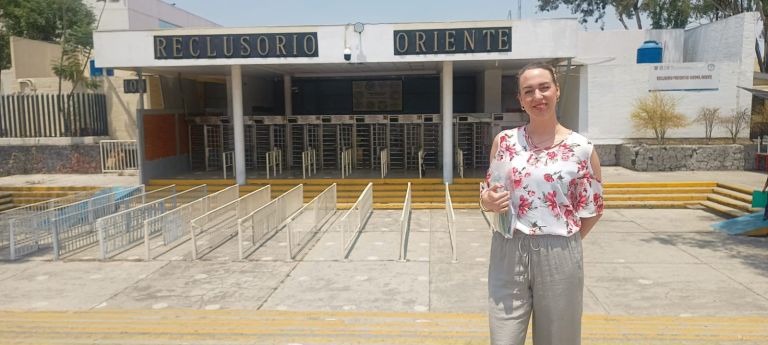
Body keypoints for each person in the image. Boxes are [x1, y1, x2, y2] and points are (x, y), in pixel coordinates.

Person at [479, 62, 604, 345]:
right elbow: (490, 190)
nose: (538, 96)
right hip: (507, 248)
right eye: (529, 91)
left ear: (557, 91)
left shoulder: (582, 149)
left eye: (544, 87)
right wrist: (487, 200)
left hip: (559, 252)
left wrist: (560, 242)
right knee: (504, 338)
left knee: (558, 339)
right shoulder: (505, 142)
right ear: (521, 101)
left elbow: (592, 209)